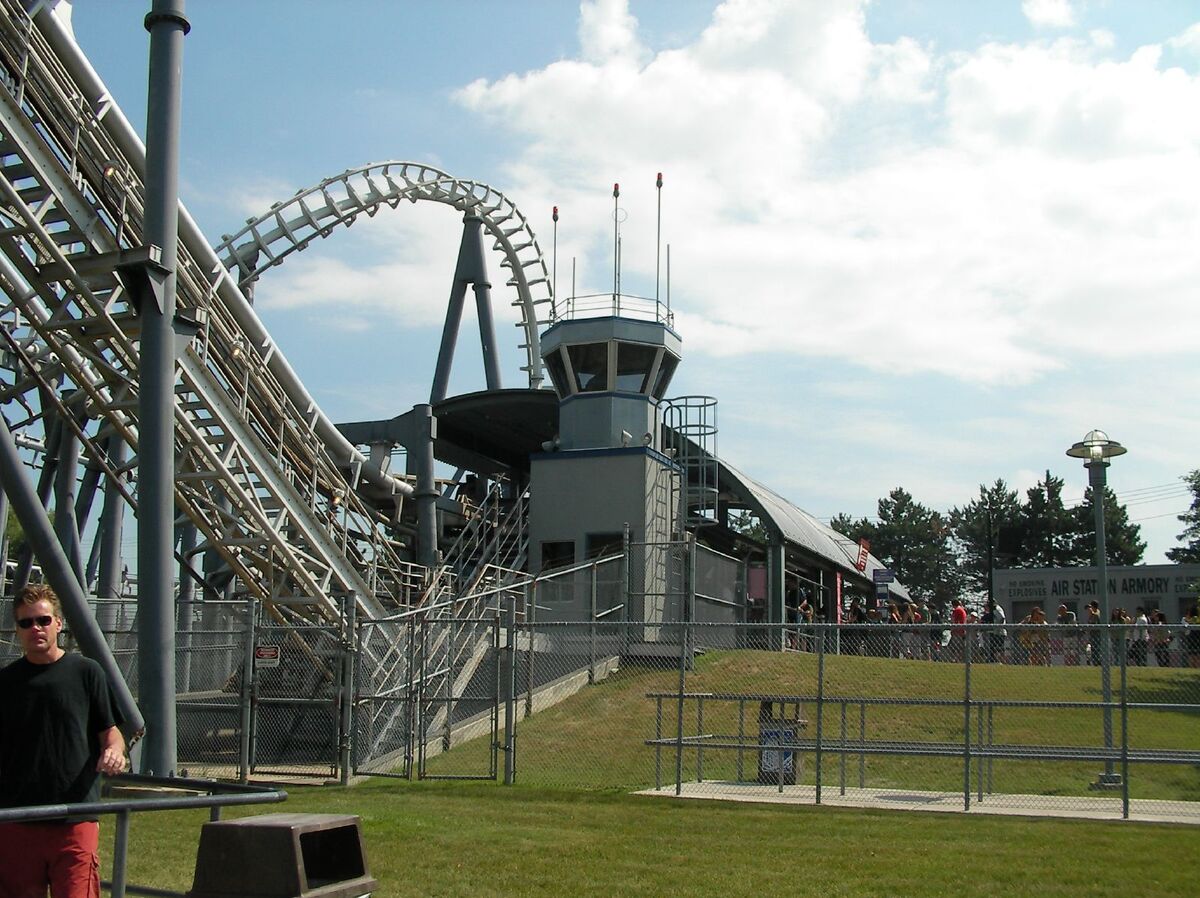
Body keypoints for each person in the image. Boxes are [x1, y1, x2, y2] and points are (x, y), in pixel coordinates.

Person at [0, 584, 127, 898]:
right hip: (16, 818)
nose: (36, 629)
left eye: (43, 620)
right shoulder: (5, 683)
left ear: (58, 623)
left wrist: (114, 750)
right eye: (26, 623)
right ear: (17, 630)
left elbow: (110, 732)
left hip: (74, 817)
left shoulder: (87, 672)